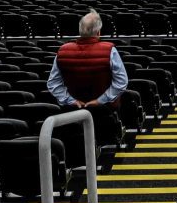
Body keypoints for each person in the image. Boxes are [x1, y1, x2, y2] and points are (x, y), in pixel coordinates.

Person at [50, 11, 130, 145]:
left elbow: (53, 83)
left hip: (74, 110)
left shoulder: (62, 50)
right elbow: (122, 82)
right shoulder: (110, 50)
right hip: (105, 109)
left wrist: (71, 100)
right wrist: (100, 100)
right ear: (98, 32)